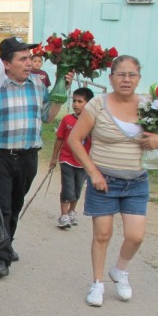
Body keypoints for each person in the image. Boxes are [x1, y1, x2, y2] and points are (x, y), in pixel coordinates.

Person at [66, 55, 158, 307]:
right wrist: (93, 173)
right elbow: (74, 140)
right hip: (104, 180)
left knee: (136, 236)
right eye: (121, 74)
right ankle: (98, 283)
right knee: (102, 234)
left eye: (131, 75)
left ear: (139, 78)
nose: (126, 79)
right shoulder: (97, 105)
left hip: (136, 180)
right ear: (111, 78)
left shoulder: (150, 106)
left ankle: (120, 271)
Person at [0, 36, 73, 279]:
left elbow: (48, 117)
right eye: (23, 59)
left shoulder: (38, 85)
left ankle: (5, 243)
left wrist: (62, 90)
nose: (30, 63)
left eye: (30, 58)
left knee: (15, 204)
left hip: (28, 157)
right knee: (2, 207)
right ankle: (1, 257)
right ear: (6, 64)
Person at [50, 87, 94, 229]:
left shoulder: (93, 123)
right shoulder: (67, 119)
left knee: (77, 189)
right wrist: (54, 157)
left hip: (84, 162)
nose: (75, 104)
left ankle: (72, 211)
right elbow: (59, 139)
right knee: (68, 188)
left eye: (80, 101)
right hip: (67, 159)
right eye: (74, 101)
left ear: (89, 104)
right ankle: (63, 215)